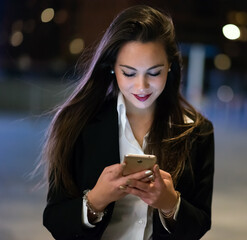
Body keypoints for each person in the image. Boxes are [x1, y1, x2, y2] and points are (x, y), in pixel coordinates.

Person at [42, 5, 214, 240]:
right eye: (129, 73)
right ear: (113, 68)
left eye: (154, 73)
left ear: (170, 67)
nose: (141, 87)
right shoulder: (77, 123)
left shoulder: (196, 131)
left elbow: (201, 223)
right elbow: (54, 220)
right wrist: (95, 200)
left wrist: (170, 204)